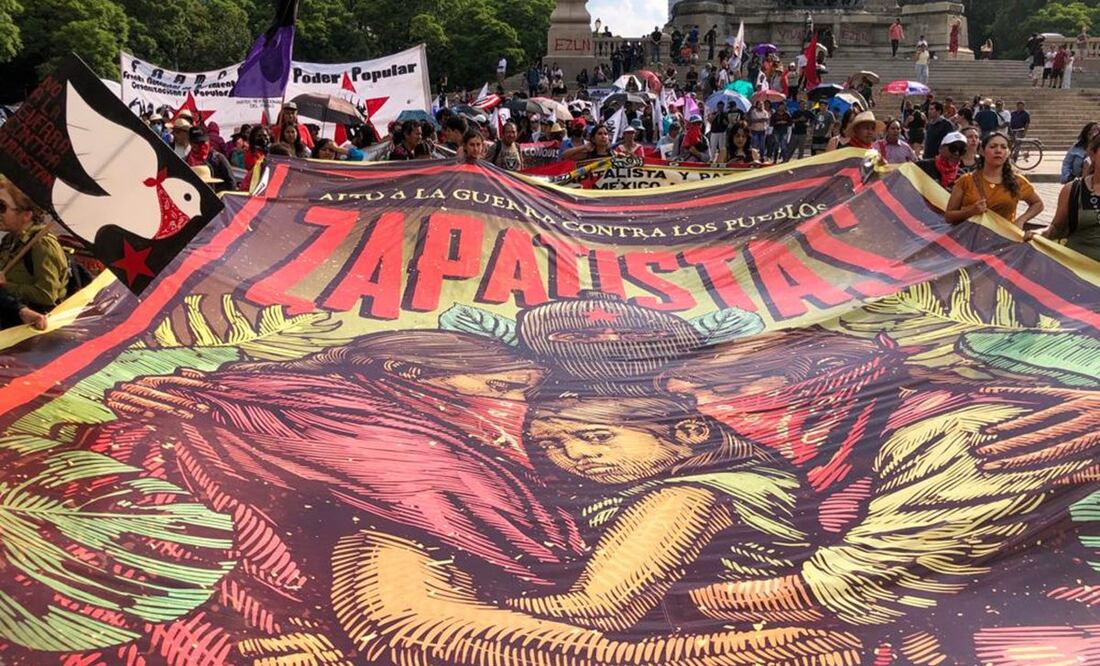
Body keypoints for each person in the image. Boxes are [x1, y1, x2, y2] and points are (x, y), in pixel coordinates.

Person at [0, 175, 68, 313]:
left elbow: (47, 295)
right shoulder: (9, 239)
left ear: (26, 215)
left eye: (2, 207)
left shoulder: (42, 244)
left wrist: (6, 286)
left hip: (31, 326)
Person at [946, 131, 1043, 227]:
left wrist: (1021, 220)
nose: (998, 151)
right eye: (993, 147)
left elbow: (1038, 204)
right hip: (970, 238)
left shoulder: (1017, 181)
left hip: (1003, 239)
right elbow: (949, 216)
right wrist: (970, 211)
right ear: (982, 152)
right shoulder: (966, 180)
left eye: (1003, 147)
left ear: (1008, 153)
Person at [1027, 133, 1100, 261]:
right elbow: (1057, 228)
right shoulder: (1073, 189)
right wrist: (1041, 233)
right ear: (1093, 154)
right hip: (1078, 271)